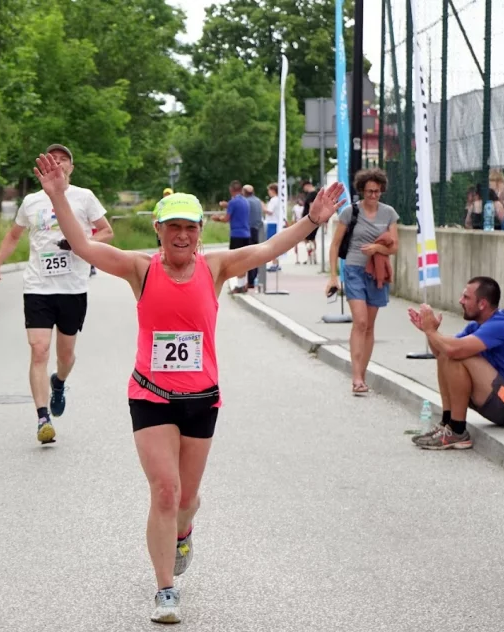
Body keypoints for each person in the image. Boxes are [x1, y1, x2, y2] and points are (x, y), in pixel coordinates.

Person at [32, 150, 347, 623]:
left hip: (201, 400)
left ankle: (183, 531)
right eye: (173, 227)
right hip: (150, 396)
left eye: (190, 228)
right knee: (164, 491)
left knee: (185, 500)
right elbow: (84, 245)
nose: (182, 235)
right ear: (158, 230)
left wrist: (312, 221)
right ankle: (165, 590)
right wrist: (58, 196)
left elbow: (267, 249)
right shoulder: (140, 269)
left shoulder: (214, 267)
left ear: (200, 231)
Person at [0, 144, 114, 444]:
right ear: (44, 167)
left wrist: (81, 244)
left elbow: (106, 231)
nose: (57, 163)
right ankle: (43, 418)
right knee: (39, 349)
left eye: (63, 159)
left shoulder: (84, 197)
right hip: (38, 286)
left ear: (71, 167)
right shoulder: (31, 201)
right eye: (52, 159)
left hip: (72, 287)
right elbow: (13, 235)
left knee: (65, 356)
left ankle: (59, 381)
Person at [408, 277, 504, 450]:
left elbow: (454, 350)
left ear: (482, 304)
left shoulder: (501, 325)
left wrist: (432, 331)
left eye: (466, 297)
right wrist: (430, 332)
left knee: (458, 354)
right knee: (450, 354)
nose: (460, 301)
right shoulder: (476, 326)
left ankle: (457, 431)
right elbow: (441, 354)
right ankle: (447, 425)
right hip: (499, 399)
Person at [327, 169, 399, 395]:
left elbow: (394, 247)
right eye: (369, 191)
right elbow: (335, 245)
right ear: (361, 191)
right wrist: (333, 276)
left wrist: (377, 248)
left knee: (369, 326)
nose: (373, 195)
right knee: (360, 321)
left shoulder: (389, 213)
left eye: (377, 191)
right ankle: (356, 377)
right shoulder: (350, 212)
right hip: (354, 269)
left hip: (377, 273)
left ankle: (363, 374)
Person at [210, 180, 250, 293]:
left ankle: (239, 286)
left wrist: (217, 218)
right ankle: (244, 283)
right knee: (244, 260)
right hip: (246, 233)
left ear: (231, 190)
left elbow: (226, 218)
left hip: (236, 234)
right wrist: (227, 205)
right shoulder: (245, 201)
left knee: (236, 261)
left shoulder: (233, 202)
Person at [242, 184, 265, 289]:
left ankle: (250, 281)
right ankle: (255, 277)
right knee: (256, 254)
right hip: (258, 230)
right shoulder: (258, 201)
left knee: (249, 255)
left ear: (244, 192)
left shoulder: (246, 202)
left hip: (249, 230)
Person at [264, 182, 285, 271]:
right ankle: (276, 263)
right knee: (276, 244)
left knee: (272, 244)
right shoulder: (279, 200)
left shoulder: (273, 200)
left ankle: (274, 263)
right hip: (277, 223)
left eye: (269, 190)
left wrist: (262, 207)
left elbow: (270, 211)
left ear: (273, 190)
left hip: (272, 223)